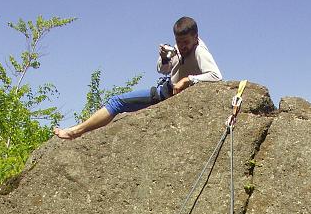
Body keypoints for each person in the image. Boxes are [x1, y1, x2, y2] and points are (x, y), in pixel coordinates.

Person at [53, 16, 222, 140]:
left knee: (116, 102)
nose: (182, 46)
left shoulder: (200, 51)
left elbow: (216, 76)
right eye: (179, 42)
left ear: (195, 36)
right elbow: (162, 70)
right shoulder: (176, 49)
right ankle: (77, 130)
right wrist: (164, 57)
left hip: (171, 95)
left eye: (185, 42)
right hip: (164, 92)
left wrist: (188, 80)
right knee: (116, 102)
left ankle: (75, 131)